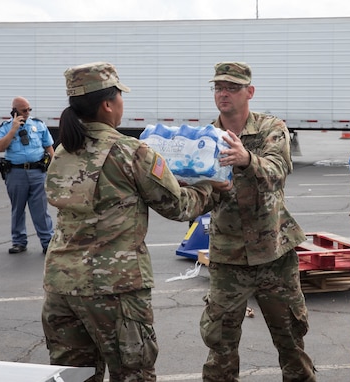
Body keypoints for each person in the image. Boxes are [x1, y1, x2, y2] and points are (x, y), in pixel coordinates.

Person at [41, 62, 229, 382]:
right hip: (115, 289)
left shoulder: (63, 150)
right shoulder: (130, 151)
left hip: (61, 286)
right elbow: (178, 206)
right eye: (120, 97)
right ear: (108, 104)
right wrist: (212, 189)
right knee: (134, 374)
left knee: (73, 376)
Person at [198, 62, 316, 382]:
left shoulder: (270, 128)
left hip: (273, 252)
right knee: (220, 344)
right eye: (218, 88)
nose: (223, 93)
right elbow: (199, 195)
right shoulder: (206, 138)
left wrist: (246, 159)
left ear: (249, 92)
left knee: (291, 340)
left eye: (232, 88)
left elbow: (278, 172)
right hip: (228, 254)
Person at [0, 97, 54, 254]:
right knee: (18, 208)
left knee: (41, 209)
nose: (27, 113)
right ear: (14, 111)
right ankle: (19, 242)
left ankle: (47, 242)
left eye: (29, 110)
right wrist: (13, 130)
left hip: (37, 172)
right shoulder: (6, 127)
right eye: (23, 110)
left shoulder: (38, 124)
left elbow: (49, 147)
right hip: (16, 173)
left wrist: (53, 168)